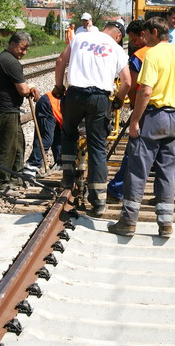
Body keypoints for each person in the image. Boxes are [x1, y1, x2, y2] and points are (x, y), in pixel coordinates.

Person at [108, 16, 175, 238]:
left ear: (155, 32)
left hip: (154, 116)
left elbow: (145, 91)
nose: (143, 38)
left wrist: (135, 121)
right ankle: (165, 223)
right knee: (167, 172)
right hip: (173, 117)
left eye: (145, 34)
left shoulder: (152, 54)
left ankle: (128, 221)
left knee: (138, 169)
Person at [54, 21, 130, 216]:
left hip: (75, 94)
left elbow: (60, 61)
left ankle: (67, 176)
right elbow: (127, 82)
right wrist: (118, 100)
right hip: (99, 98)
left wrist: (59, 87)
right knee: (97, 147)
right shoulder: (116, 48)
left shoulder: (80, 37)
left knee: (69, 133)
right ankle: (98, 201)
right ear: (118, 36)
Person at [0, 31, 40, 197]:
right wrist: (30, 87)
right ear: (12, 44)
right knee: (6, 145)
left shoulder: (8, 59)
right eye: (22, 48)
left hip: (10, 109)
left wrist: (29, 87)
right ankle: (1, 182)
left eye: (27, 49)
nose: (24, 52)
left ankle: (15, 177)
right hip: (4, 109)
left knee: (18, 143)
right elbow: (23, 90)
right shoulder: (9, 61)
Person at [107, 20, 149, 202]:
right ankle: (163, 197)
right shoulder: (174, 53)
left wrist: (130, 104)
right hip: (169, 110)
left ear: (143, 35)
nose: (133, 43)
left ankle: (118, 189)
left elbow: (131, 85)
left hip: (144, 108)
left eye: (134, 39)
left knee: (134, 150)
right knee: (165, 158)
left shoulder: (139, 56)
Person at [21, 91, 63, 179]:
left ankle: (60, 163)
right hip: (48, 105)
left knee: (59, 138)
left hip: (58, 111)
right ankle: (31, 167)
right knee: (45, 139)